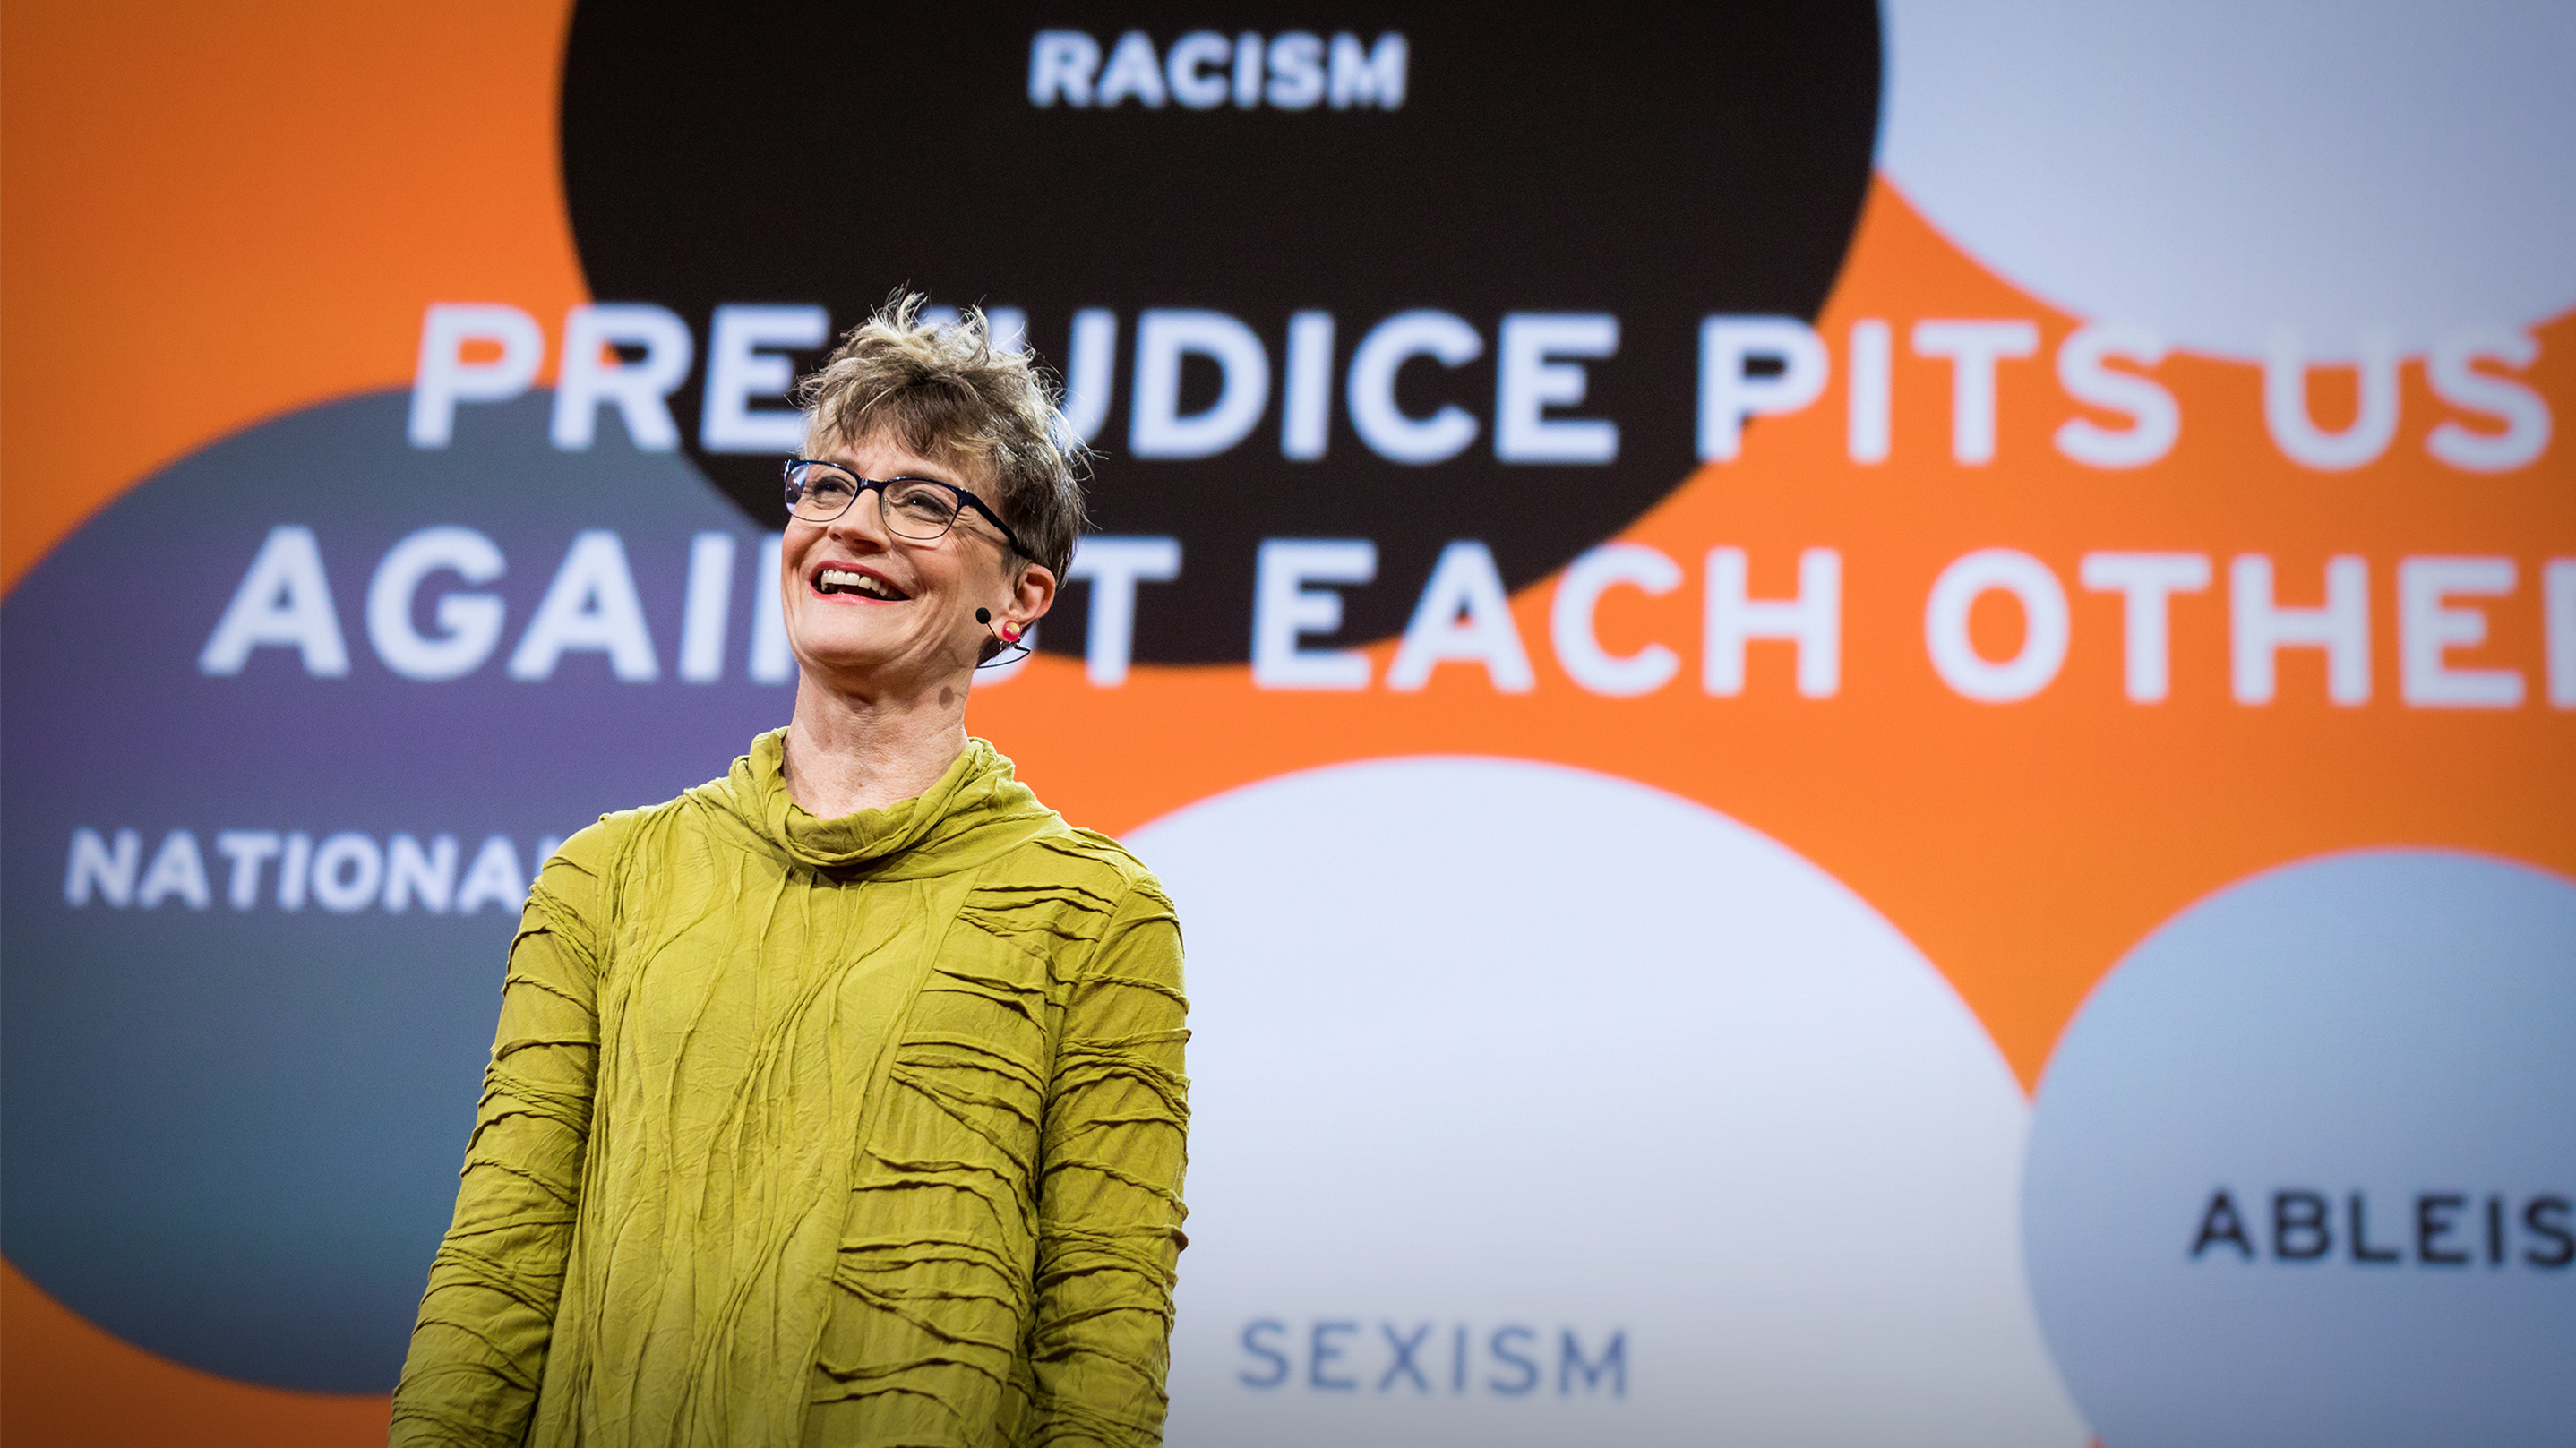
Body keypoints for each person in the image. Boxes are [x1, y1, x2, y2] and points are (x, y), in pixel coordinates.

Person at [390, 297, 1189, 1447]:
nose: (853, 526)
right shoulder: (604, 879)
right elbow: (497, 1273)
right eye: (826, 486)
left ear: (1016, 600)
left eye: (924, 501)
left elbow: (1103, 1341)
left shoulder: (1096, 916)